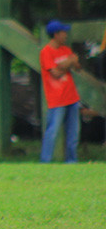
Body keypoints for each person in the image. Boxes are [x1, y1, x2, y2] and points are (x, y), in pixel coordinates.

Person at [39, 19, 81, 163]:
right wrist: (69, 62)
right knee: (52, 131)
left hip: (72, 97)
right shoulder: (46, 52)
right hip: (57, 99)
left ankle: (71, 160)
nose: (66, 35)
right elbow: (55, 73)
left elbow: (77, 66)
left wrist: (66, 64)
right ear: (56, 34)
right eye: (63, 32)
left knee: (73, 133)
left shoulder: (65, 49)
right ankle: (45, 161)